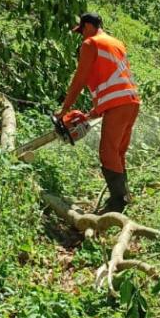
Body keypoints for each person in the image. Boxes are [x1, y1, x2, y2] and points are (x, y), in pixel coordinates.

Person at [58, 12, 140, 214]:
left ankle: (117, 204)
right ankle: (125, 196)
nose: (81, 37)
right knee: (118, 152)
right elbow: (114, 76)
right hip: (131, 100)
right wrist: (95, 111)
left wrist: (65, 108)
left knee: (107, 152)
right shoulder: (115, 42)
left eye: (81, 32)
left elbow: (80, 78)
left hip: (119, 103)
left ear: (87, 26)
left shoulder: (91, 43)